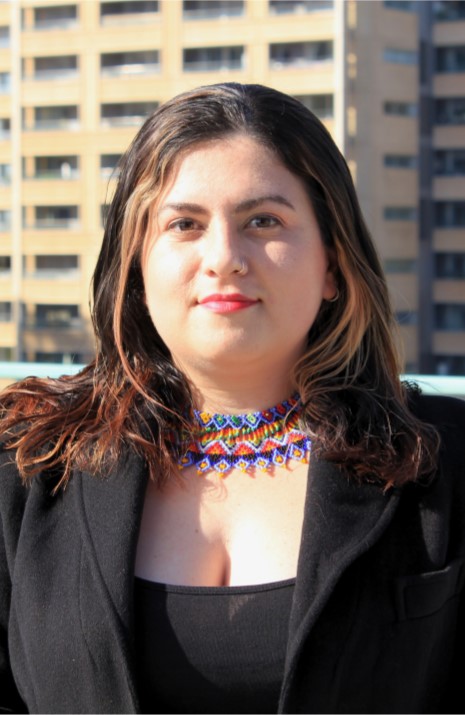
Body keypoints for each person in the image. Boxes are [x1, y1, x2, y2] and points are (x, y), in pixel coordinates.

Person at [0, 82, 464, 715]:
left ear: (332, 263)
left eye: (263, 221)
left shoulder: (444, 459)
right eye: (184, 225)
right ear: (136, 267)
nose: (224, 258)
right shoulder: (28, 461)